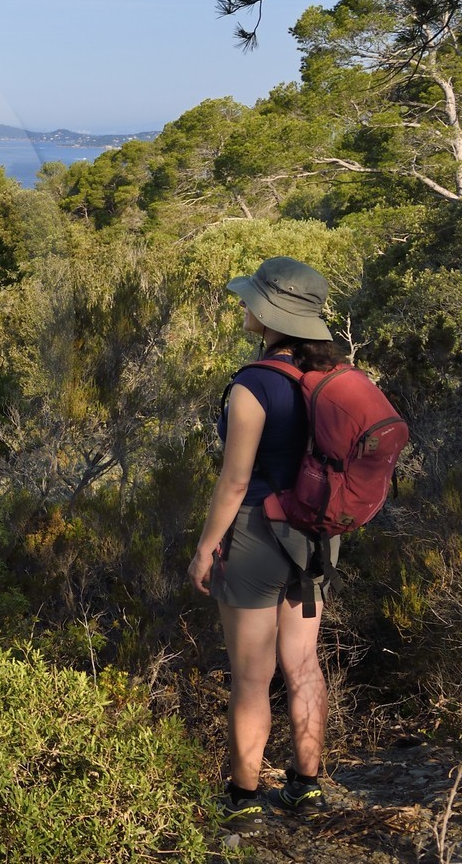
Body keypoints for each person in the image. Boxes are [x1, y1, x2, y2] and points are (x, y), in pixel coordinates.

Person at [189, 256, 342, 826]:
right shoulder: (328, 376)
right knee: (302, 665)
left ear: (272, 314)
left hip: (256, 531)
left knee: (252, 677)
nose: (243, 304)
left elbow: (234, 481)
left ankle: (243, 800)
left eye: (251, 298)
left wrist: (206, 547)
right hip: (313, 533)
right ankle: (306, 788)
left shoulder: (254, 384)